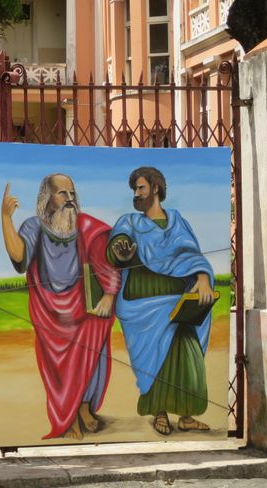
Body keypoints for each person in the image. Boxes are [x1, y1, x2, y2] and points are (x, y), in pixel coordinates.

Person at [1, 174, 121, 440]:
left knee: (95, 344)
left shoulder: (87, 226)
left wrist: (110, 294)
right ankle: (68, 417)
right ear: (47, 199)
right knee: (57, 367)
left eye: (72, 194)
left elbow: (105, 258)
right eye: (62, 194)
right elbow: (20, 257)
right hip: (49, 309)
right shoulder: (34, 226)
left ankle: (85, 407)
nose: (69, 200)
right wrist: (6, 218)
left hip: (83, 305)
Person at [108, 166, 216, 436]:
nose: (136, 193)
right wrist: (122, 251)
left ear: (155, 188)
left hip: (179, 302)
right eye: (134, 189)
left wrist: (202, 278)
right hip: (146, 304)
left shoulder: (177, 221)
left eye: (141, 188)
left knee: (189, 358)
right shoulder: (129, 223)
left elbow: (192, 254)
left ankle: (187, 416)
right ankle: (160, 414)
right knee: (156, 360)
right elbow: (116, 247)